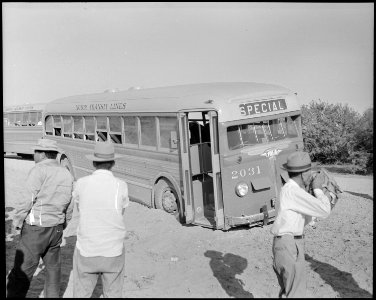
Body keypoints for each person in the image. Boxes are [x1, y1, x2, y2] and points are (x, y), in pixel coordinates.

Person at [6, 138, 74, 298]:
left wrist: (17, 221)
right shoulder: (66, 173)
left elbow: (27, 198)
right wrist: (64, 223)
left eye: (36, 151)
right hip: (56, 228)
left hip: (37, 229)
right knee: (53, 270)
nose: (34, 154)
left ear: (42, 154)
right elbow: (70, 205)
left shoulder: (39, 170)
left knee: (22, 271)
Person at [72, 142, 129, 298]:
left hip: (87, 248)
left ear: (93, 163)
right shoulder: (121, 185)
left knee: (81, 292)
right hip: (113, 250)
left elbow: (79, 208)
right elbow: (121, 212)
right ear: (113, 163)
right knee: (113, 293)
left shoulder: (81, 184)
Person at [271, 151, 331, 298]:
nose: (311, 176)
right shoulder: (293, 191)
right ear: (303, 174)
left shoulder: (289, 190)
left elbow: (306, 219)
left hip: (285, 244)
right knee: (295, 294)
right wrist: (317, 189)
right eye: (309, 172)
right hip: (290, 244)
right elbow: (324, 210)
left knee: (289, 292)